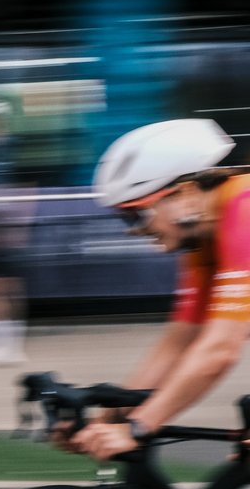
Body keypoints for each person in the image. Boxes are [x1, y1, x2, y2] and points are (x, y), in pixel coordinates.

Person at [75, 118, 242, 463]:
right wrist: (107, 421)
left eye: (135, 215)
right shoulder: (204, 242)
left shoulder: (245, 210)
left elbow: (221, 349)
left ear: (184, 193)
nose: (132, 232)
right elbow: (179, 344)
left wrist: (138, 427)